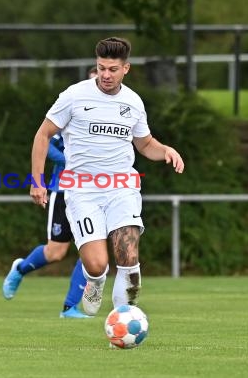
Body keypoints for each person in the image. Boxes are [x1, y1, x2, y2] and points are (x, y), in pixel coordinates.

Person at [29, 37, 184, 317]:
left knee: (128, 253)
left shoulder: (133, 102)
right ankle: (96, 280)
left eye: (112, 69)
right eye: (101, 68)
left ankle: (124, 318)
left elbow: (145, 144)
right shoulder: (74, 96)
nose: (105, 75)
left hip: (122, 187)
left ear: (126, 69)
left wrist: (166, 150)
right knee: (97, 263)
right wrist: (37, 181)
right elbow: (43, 135)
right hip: (82, 191)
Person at [2, 67, 101, 319]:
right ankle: (21, 268)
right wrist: (72, 159)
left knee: (92, 249)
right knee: (56, 252)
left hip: (95, 191)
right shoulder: (71, 109)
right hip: (64, 189)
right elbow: (48, 145)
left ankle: (70, 307)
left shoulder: (111, 114)